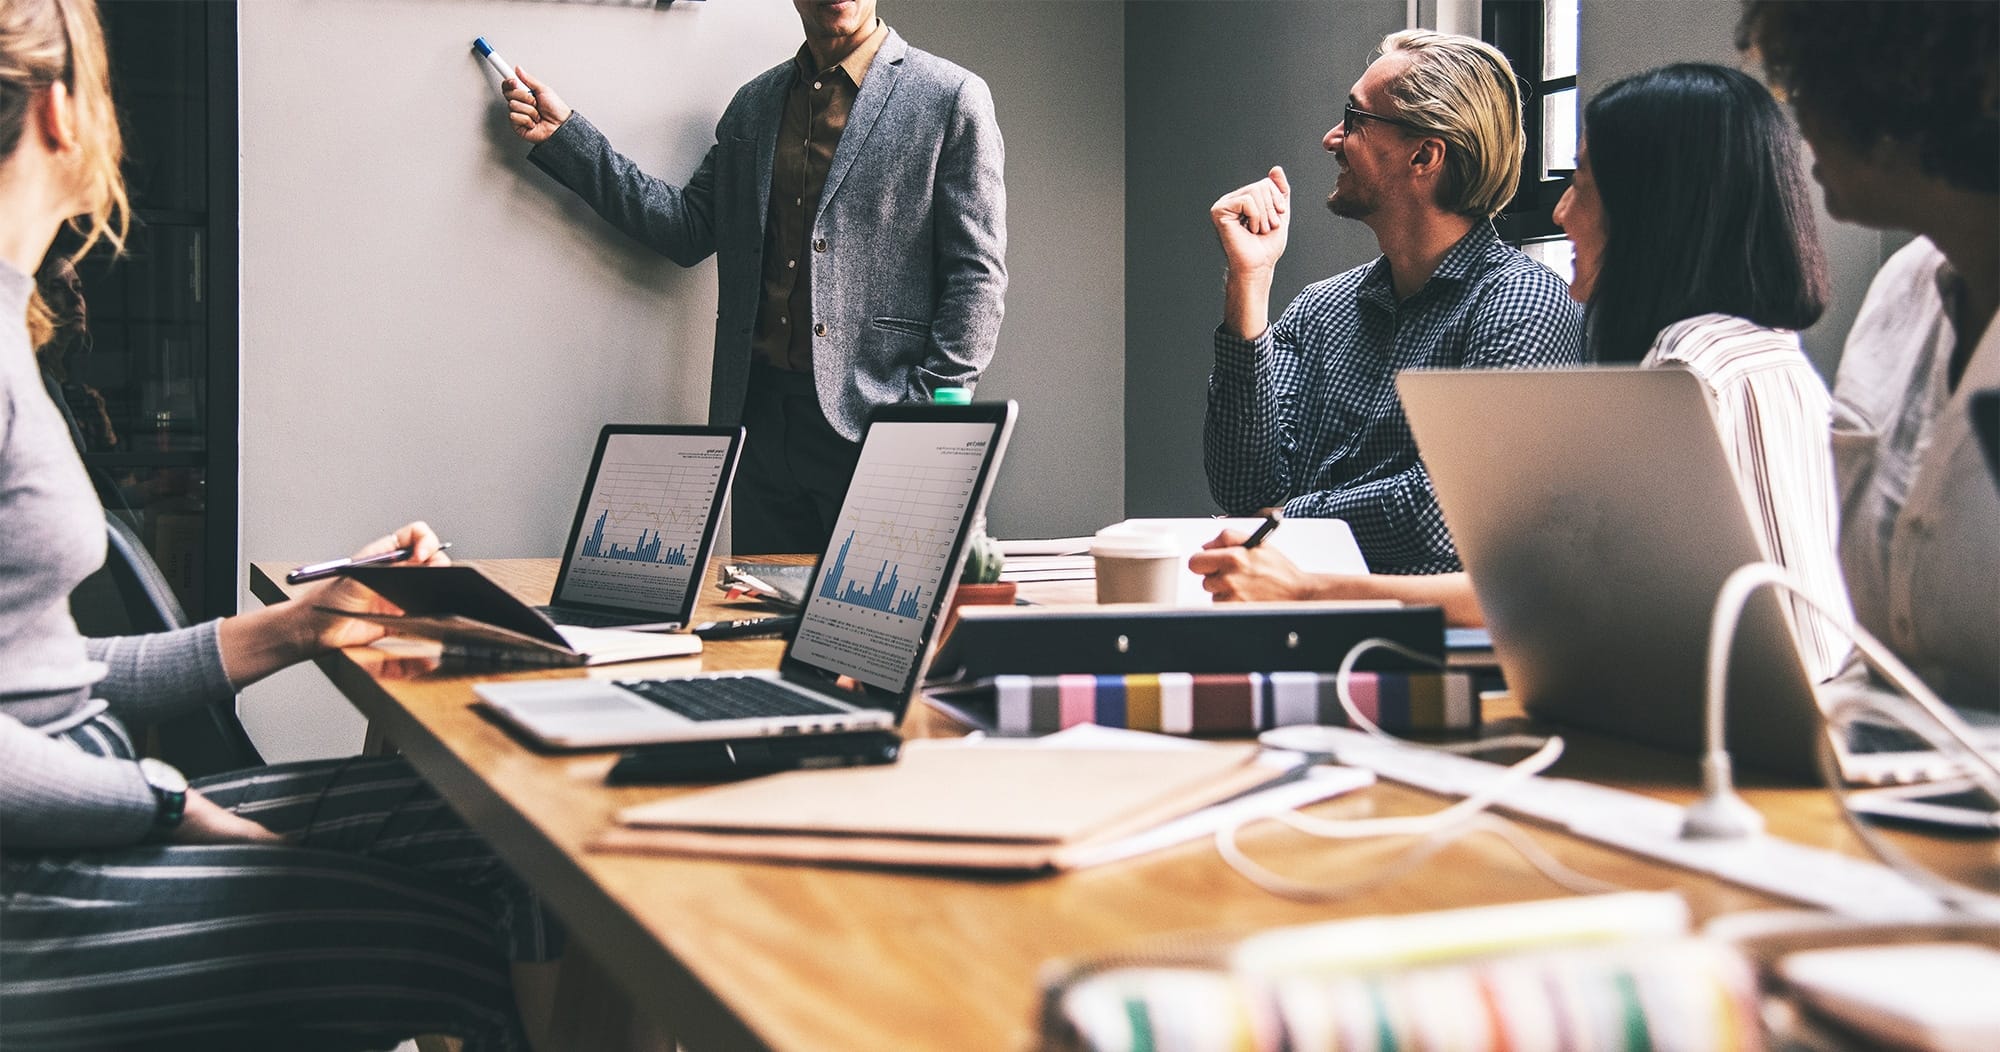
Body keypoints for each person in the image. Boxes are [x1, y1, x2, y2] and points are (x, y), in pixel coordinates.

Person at [0, 3, 561, 1048]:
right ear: (61, 113)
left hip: (79, 822)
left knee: (504, 825)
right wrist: (165, 804)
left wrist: (307, 622)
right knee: (451, 938)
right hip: (39, 885)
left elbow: (36, 674)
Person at [1194, 63, 1854, 683]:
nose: (1561, 214)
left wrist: (1298, 561)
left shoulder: (1687, 371)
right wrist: (1247, 287)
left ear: (1653, 211)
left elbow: (1542, 583)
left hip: (1756, 744)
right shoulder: (1754, 355)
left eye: (1583, 184)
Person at [500, 0, 1006, 555]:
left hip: (878, 425)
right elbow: (687, 227)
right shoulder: (754, 106)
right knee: (761, 631)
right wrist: (568, 138)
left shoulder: (950, 98)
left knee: (873, 633)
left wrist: (924, 417)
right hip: (759, 425)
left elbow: (976, 276)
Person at [1202, 29, 1584, 576]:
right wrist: (1249, 281)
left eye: (1354, 118)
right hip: (1293, 626)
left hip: (1420, 649)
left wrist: (1283, 522)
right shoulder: (1320, 308)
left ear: (1424, 155)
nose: (1332, 138)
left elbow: (1444, 516)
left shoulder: (1522, 302)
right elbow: (1243, 489)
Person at [1739, 1, 1999, 710]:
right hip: (1880, 780)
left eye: (1807, 87)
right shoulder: (1899, 295)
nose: (1798, 120)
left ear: (1893, 91)